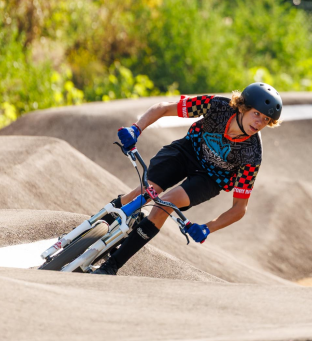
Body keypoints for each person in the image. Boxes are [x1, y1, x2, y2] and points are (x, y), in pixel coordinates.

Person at [90, 82, 283, 275]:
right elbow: (164, 108)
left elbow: (239, 209)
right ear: (243, 107)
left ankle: (112, 265)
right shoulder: (216, 106)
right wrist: (136, 129)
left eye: (266, 119)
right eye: (256, 113)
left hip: (211, 178)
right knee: (145, 191)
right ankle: (88, 231)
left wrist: (208, 228)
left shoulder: (252, 155)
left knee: (164, 205)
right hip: (186, 152)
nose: (259, 122)